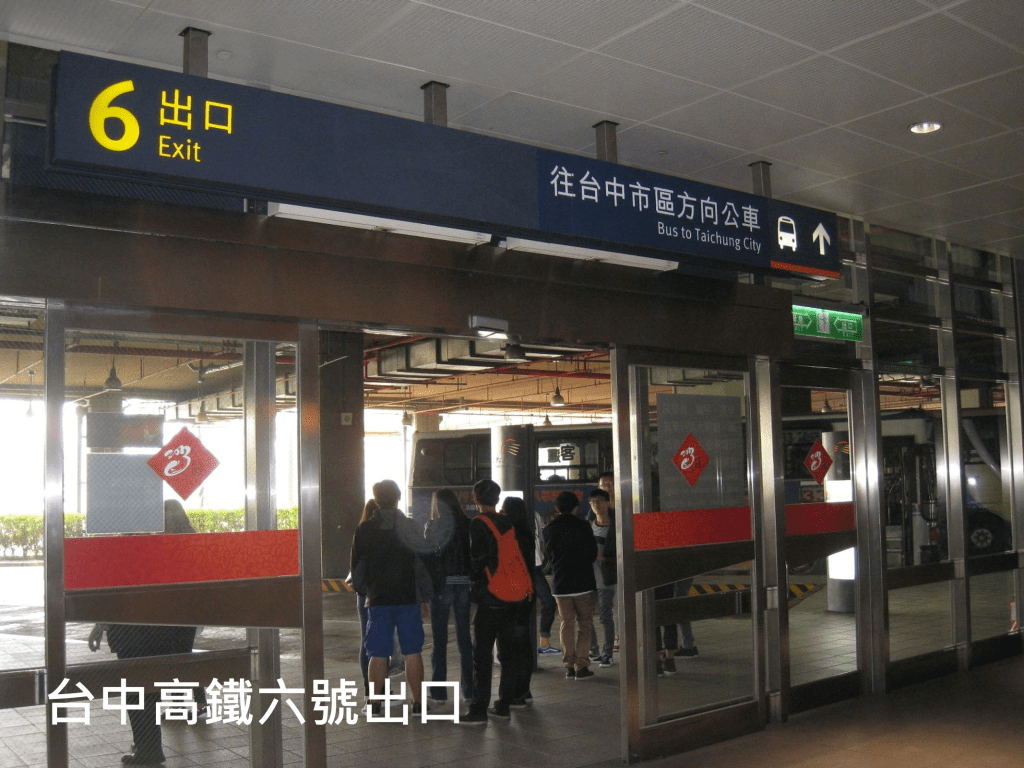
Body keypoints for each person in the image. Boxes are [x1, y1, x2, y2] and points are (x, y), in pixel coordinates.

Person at [349, 480, 428, 716]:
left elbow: (357, 567)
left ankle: (374, 704)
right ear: (398, 498)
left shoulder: (364, 530)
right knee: (412, 651)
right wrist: (424, 596)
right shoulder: (411, 526)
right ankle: (418, 703)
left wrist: (367, 591)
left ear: (376, 500)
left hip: (378, 599)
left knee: (377, 652)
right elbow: (423, 564)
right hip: (408, 599)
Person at [464, 479, 532, 723]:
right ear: (497, 498)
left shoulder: (478, 523)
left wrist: (472, 578)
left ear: (475, 499)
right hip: (512, 595)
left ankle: (478, 709)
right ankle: (503, 705)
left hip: (490, 596)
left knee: (482, 656)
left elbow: (479, 559)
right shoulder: (507, 522)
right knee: (508, 654)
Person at [423, 488, 473, 706]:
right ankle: (469, 690)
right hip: (463, 583)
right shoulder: (468, 524)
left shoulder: (433, 526)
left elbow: (427, 556)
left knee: (440, 640)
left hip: (442, 585)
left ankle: (439, 692)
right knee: (464, 638)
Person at [543, 490, 598, 680]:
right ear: (576, 507)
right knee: (585, 624)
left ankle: (568, 665)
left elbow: (549, 557)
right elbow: (592, 554)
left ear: (557, 507)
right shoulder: (583, 526)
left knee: (566, 624)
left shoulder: (549, 529)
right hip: (583, 582)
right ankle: (581, 666)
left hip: (561, 584)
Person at [499, 496, 537, 706]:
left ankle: (517, 692)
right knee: (522, 641)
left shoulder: (511, 535)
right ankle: (524, 689)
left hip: (514, 594)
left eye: (503, 510)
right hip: (526, 593)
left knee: (513, 645)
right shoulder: (526, 533)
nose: (501, 513)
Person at [352, 498, 379, 702]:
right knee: (381, 642)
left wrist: (362, 590)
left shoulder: (360, 532)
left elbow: (354, 566)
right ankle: (379, 687)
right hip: (379, 593)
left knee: (366, 640)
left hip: (363, 594)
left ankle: (369, 687)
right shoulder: (383, 532)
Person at [588, 488, 616, 667]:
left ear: (607, 503)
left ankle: (608, 653)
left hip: (606, 578)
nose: (596, 504)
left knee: (605, 616)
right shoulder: (589, 525)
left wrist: (604, 558)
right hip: (589, 578)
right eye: (592, 502)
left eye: (599, 501)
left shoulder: (615, 527)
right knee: (586, 616)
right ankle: (593, 649)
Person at [533, 508, 559, 655]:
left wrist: (541, 557)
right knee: (548, 602)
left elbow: (541, 541)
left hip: (536, 566)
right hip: (526, 566)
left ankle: (544, 641)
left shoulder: (536, 514)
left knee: (548, 602)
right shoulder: (515, 511)